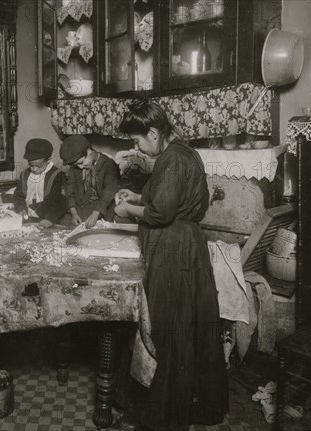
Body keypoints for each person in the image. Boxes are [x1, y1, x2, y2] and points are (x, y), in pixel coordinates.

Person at [113, 101, 228, 431]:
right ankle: (187, 407)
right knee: (184, 330)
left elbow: (161, 214)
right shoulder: (182, 153)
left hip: (173, 253)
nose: (136, 148)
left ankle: (161, 417)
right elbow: (179, 202)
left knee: (165, 331)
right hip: (186, 248)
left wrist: (127, 211)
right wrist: (136, 198)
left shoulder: (172, 159)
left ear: (152, 132)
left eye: (137, 141)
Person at [59, 135, 120, 228]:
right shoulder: (75, 167)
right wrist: (74, 213)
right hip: (80, 211)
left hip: (101, 211)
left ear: (89, 151)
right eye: (76, 165)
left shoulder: (108, 165)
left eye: (81, 162)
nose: (80, 167)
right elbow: (70, 192)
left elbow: (109, 192)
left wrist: (95, 214)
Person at [13, 138, 67, 228]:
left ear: (48, 160)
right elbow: (18, 195)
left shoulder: (57, 175)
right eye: (31, 165)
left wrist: (50, 218)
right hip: (28, 219)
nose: (34, 169)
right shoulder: (25, 174)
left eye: (38, 166)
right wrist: (21, 208)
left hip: (48, 219)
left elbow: (61, 202)